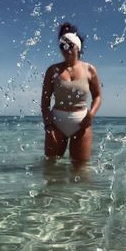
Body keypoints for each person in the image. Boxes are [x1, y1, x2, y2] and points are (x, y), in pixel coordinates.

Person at [41, 22, 102, 165]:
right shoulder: (52, 70)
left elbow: (98, 96)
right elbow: (45, 102)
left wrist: (91, 114)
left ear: (78, 46)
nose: (65, 49)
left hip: (81, 123)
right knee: (51, 170)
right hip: (57, 123)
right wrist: (49, 126)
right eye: (62, 46)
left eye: (69, 45)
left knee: (81, 172)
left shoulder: (89, 69)